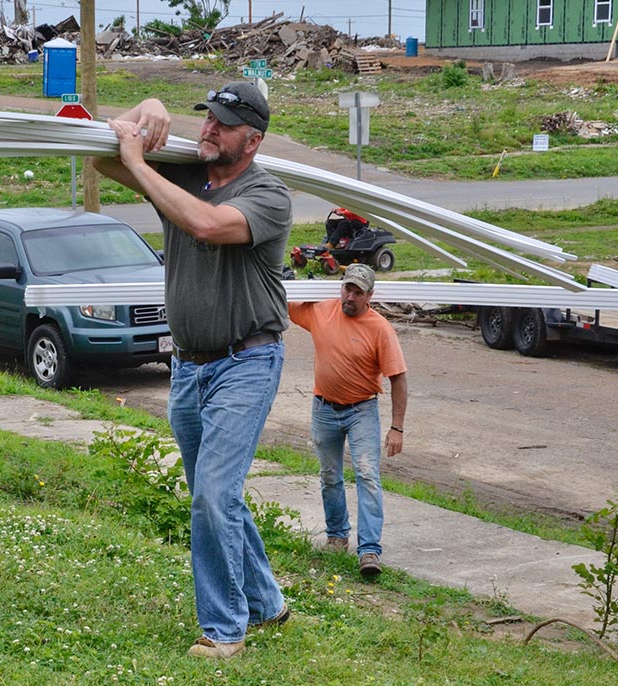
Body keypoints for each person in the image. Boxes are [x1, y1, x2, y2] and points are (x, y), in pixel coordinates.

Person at [90, 82, 293, 659]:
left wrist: (140, 161)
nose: (207, 128)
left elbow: (206, 225)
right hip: (187, 367)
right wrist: (145, 111)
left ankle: (225, 631)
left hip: (246, 361)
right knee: (215, 495)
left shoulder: (268, 195)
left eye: (224, 124)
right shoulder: (183, 175)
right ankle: (267, 602)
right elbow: (98, 157)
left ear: (252, 140)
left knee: (212, 494)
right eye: (206, 118)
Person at [287, 263, 407, 579]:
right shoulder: (322, 311)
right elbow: (285, 304)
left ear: (370, 296)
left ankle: (369, 550)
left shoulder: (380, 329)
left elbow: (398, 378)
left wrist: (397, 427)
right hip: (324, 407)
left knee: (367, 474)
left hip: (361, 411)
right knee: (329, 475)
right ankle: (337, 536)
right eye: (347, 289)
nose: (350, 297)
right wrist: (284, 281)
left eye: (357, 292)